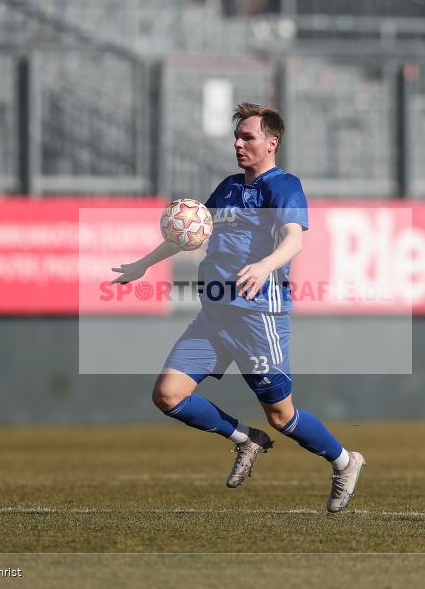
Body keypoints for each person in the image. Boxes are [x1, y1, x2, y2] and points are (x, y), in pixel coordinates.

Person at [112, 103, 364, 512]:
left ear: (271, 142)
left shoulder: (283, 186)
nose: (238, 143)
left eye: (248, 137)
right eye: (237, 136)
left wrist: (265, 266)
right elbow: (188, 234)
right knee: (168, 395)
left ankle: (345, 461)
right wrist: (143, 264)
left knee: (281, 417)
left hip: (258, 316)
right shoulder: (228, 187)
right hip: (215, 315)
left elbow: (294, 239)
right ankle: (246, 440)